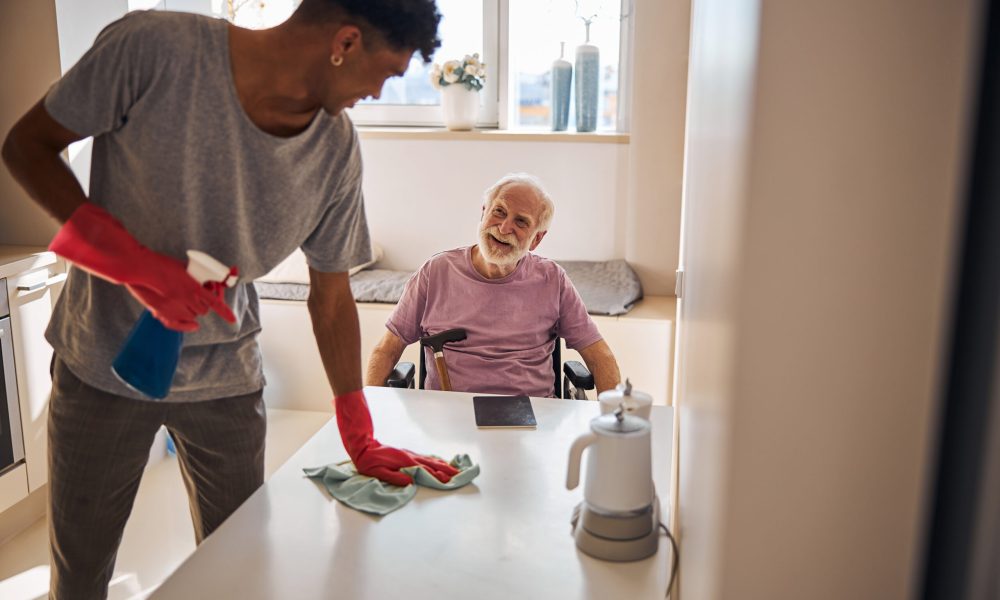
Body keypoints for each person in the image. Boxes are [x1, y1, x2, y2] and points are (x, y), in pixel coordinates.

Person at [1, 1, 458, 597]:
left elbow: (331, 295)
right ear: (344, 40)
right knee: (81, 578)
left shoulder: (335, 150)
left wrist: (358, 432)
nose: (377, 92)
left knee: (239, 575)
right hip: (101, 369)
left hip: (227, 382)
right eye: (385, 74)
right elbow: (27, 146)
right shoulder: (156, 48)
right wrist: (132, 265)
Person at [365, 173, 622, 397]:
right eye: (499, 211)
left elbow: (600, 356)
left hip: (532, 418)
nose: (504, 227)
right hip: (448, 417)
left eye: (521, 222)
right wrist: (368, 415)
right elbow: (387, 350)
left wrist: (610, 427)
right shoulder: (436, 272)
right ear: (483, 212)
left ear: (536, 239)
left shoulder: (552, 280)